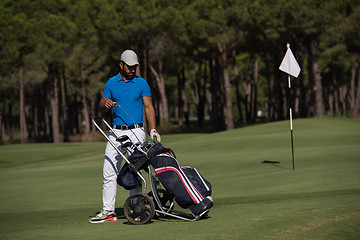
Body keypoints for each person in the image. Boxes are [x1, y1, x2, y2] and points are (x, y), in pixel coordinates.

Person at [89, 49, 161, 223]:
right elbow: (101, 105)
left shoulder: (142, 83)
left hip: (136, 130)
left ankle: (137, 208)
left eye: (134, 66)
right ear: (121, 65)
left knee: (134, 170)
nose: (132, 69)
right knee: (109, 171)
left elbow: (149, 107)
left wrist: (153, 129)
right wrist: (104, 104)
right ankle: (108, 211)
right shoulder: (111, 83)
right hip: (116, 131)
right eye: (129, 66)